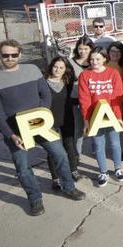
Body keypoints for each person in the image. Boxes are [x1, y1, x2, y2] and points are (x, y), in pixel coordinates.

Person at [0, 40, 85, 216]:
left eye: (14, 54)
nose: (10, 58)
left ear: (20, 54)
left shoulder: (32, 70)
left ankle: (69, 187)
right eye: (5, 55)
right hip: (16, 131)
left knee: (60, 155)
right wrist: (11, 135)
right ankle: (35, 198)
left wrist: (42, 116)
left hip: (40, 124)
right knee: (22, 167)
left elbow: (45, 95)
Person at [78, 47, 123, 187]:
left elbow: (117, 97)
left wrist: (118, 117)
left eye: (98, 59)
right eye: (91, 59)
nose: (94, 62)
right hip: (95, 116)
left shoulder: (113, 73)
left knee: (115, 143)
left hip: (110, 115)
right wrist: (86, 120)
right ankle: (103, 171)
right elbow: (84, 99)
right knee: (99, 145)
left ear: (105, 59)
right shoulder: (85, 75)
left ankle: (118, 168)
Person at [44, 57, 81, 188]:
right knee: (52, 150)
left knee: (69, 146)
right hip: (49, 122)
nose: (57, 70)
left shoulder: (68, 82)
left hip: (67, 118)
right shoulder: (43, 83)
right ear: (51, 67)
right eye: (55, 67)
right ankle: (55, 178)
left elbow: (72, 99)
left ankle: (73, 170)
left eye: (61, 67)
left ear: (66, 70)